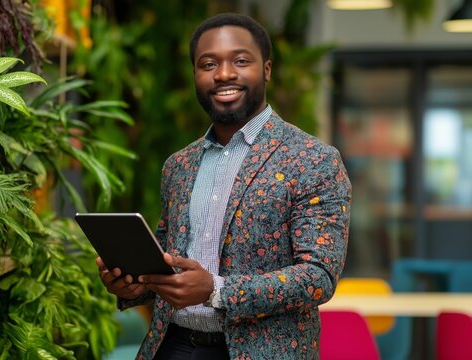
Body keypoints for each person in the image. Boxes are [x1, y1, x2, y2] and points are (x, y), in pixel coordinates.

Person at [96, 12, 352, 360]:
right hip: (172, 346)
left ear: (267, 69)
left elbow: (318, 276)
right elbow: (167, 259)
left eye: (241, 60)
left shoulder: (313, 160)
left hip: (262, 352)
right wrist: (135, 284)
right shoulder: (178, 165)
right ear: (195, 76)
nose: (224, 74)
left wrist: (216, 289)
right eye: (208, 63)